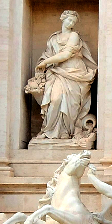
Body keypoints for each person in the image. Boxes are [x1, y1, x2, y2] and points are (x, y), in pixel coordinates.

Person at [29, 10, 97, 140]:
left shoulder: (74, 36)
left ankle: (67, 131)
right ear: (62, 18)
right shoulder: (53, 38)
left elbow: (66, 55)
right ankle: (49, 130)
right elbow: (47, 54)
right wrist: (43, 63)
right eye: (69, 20)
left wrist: (46, 62)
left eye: (73, 22)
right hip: (57, 73)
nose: (71, 23)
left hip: (74, 72)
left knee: (71, 104)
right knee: (55, 100)